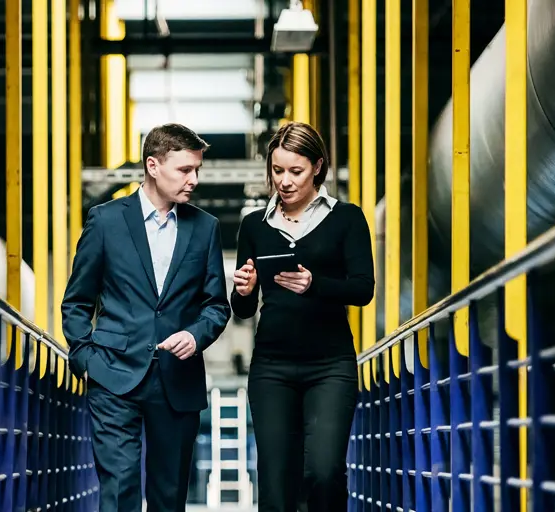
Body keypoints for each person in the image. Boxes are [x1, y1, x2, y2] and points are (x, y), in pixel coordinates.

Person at [61, 123, 232, 512]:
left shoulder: (205, 228)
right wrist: (84, 358)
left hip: (178, 377)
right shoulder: (105, 221)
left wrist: (196, 335)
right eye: (184, 170)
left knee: (169, 496)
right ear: (153, 166)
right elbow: (77, 301)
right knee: (119, 489)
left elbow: (216, 306)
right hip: (112, 373)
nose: (194, 180)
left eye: (197, 170)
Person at [230, 121, 374, 511]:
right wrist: (242, 291)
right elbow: (244, 309)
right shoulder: (254, 226)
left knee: (324, 473)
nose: (285, 181)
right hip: (272, 367)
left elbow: (363, 288)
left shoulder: (347, 218)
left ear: (317, 167)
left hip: (330, 365)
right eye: (278, 171)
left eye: (296, 171)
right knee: (277, 489)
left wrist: (316, 284)